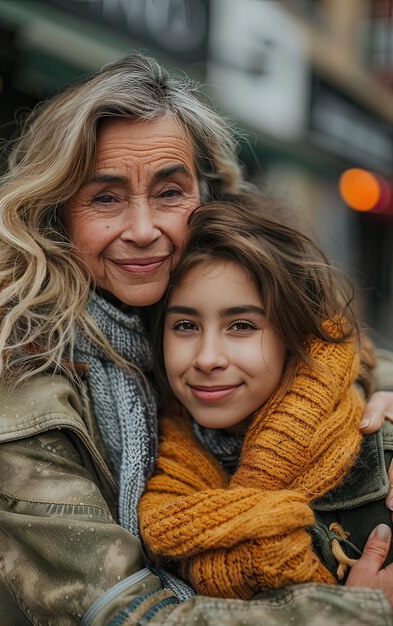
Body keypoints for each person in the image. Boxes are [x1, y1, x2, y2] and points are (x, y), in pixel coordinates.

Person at [0, 53, 393, 626]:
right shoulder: (15, 380)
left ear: (206, 199)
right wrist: (357, 613)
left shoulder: (167, 305)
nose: (144, 230)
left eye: (170, 192)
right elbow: (124, 614)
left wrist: (384, 393)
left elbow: (314, 339)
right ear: (54, 215)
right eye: (106, 197)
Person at [139, 196, 393, 600]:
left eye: (241, 325)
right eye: (185, 325)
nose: (207, 358)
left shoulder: (382, 459)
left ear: (292, 336)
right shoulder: (152, 469)